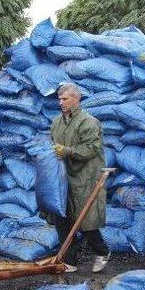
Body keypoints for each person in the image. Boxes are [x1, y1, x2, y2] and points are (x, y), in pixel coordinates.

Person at [50, 82, 110, 273]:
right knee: (62, 218)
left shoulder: (89, 122)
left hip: (86, 176)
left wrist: (67, 151)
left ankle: (102, 252)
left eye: (65, 98)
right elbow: (52, 145)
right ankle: (70, 261)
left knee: (86, 220)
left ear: (77, 99)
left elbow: (92, 149)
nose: (61, 102)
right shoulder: (56, 122)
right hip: (63, 177)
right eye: (59, 99)